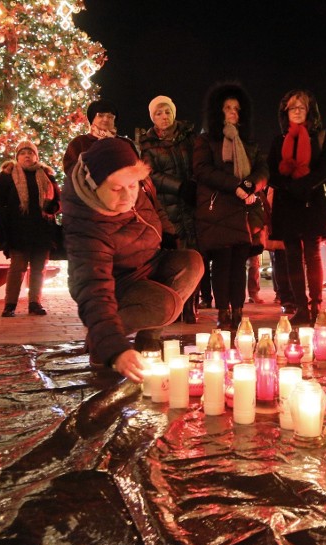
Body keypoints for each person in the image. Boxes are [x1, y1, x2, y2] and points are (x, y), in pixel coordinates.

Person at [62, 137, 203, 381]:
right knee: (165, 305)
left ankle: (149, 338)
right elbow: (93, 289)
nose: (128, 196)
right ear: (94, 185)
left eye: (133, 186)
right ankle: (99, 341)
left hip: (149, 261)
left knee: (192, 262)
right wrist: (114, 348)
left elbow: (154, 207)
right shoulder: (86, 226)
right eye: (116, 189)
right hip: (119, 282)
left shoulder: (134, 182)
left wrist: (168, 234)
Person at [192, 82, 268, 329]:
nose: (233, 112)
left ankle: (238, 311)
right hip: (218, 209)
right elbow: (203, 169)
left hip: (244, 210)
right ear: (218, 110)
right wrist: (235, 185)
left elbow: (262, 169)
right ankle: (222, 313)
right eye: (227, 108)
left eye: (236, 108)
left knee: (239, 263)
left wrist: (251, 185)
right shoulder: (206, 140)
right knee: (222, 263)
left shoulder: (249, 142)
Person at [268, 89, 326, 325]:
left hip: (311, 200)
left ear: (309, 111)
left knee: (313, 254)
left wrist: (305, 185)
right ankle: (300, 306)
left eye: (301, 107)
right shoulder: (279, 140)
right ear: (285, 112)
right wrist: (289, 186)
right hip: (287, 203)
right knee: (292, 256)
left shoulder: (321, 137)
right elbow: (272, 172)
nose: (296, 112)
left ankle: (316, 305)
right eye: (292, 108)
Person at [138, 95, 200, 323]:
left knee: (194, 254)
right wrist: (179, 186)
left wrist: (193, 185)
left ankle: (191, 306)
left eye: (167, 112)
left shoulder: (189, 138)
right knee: (174, 255)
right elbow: (149, 173)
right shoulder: (148, 144)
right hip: (167, 204)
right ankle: (174, 304)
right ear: (152, 118)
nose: (163, 117)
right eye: (158, 113)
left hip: (192, 203)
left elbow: (199, 162)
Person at [0, 140, 61, 317]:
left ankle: (35, 303)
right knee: (17, 267)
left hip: (42, 229)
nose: (27, 155)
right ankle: (10, 305)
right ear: (17, 157)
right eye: (23, 153)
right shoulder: (8, 175)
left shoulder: (46, 175)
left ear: (36, 156)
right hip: (17, 229)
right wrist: (1, 229)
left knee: (39, 268)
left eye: (30, 152)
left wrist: (52, 208)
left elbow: (57, 200)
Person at [63, 99, 120, 177]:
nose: (106, 119)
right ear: (92, 118)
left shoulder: (124, 143)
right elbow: (70, 170)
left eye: (110, 116)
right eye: (100, 115)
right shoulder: (79, 143)